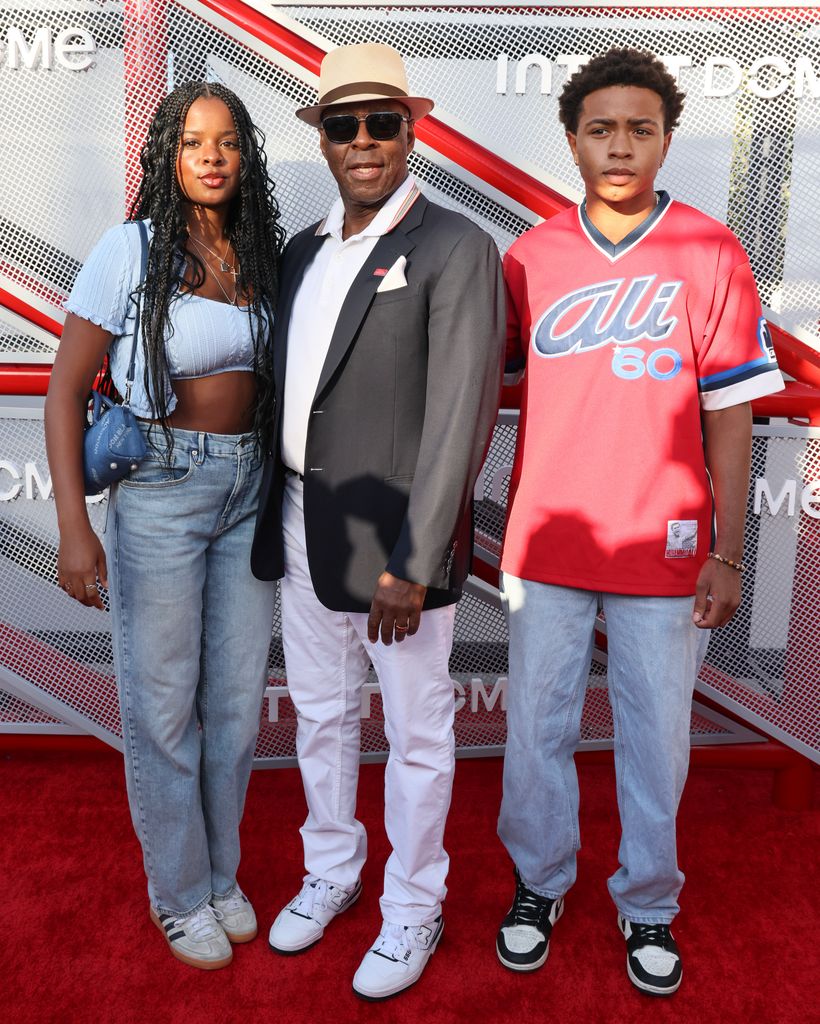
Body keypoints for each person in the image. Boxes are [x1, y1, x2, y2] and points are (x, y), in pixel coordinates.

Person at [495, 48, 784, 996]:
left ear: (666, 137)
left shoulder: (709, 250)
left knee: (654, 735)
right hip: (551, 539)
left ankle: (648, 901)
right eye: (602, 127)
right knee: (536, 728)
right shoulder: (531, 255)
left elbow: (731, 413)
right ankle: (538, 884)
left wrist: (726, 548)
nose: (621, 145)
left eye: (641, 128)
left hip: (665, 542)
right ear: (571, 137)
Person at [251, 43, 505, 1001]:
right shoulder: (302, 252)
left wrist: (418, 555)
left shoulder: (456, 246)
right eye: (343, 123)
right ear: (320, 137)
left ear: (413, 128)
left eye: (382, 122)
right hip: (297, 519)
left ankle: (414, 904)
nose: (364, 141)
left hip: (398, 546)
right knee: (319, 717)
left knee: (417, 731)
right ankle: (333, 869)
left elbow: (461, 416)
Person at [45, 81, 285, 971]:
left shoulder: (259, 253)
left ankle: (221, 877)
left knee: (231, 705)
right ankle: (179, 894)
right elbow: (66, 390)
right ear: (167, 155)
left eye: (225, 142)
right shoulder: (131, 248)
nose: (211, 157)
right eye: (193, 142)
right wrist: (75, 525)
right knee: (161, 704)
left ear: (244, 153)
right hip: (160, 487)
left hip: (250, 487)